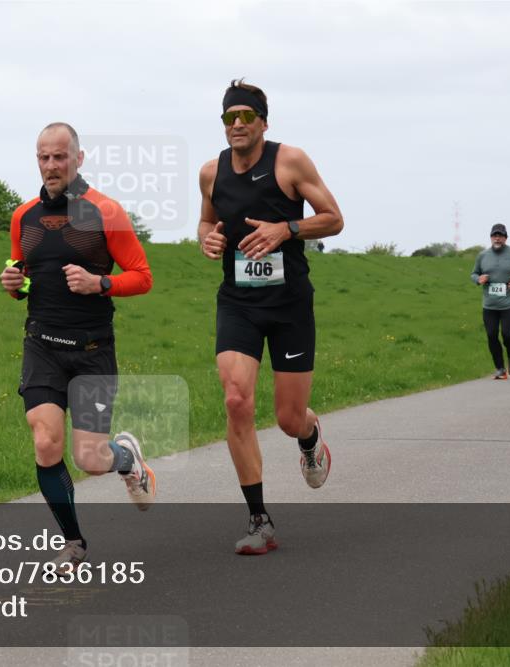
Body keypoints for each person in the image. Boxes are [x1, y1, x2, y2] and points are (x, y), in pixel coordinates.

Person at [0, 122, 155, 574]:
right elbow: (25, 275)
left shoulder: (105, 212)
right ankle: (73, 541)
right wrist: (13, 284)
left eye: (60, 156)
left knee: (90, 459)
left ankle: (128, 460)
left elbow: (142, 276)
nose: (51, 165)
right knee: (45, 440)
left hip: (92, 349)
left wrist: (99, 282)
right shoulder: (23, 216)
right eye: (44, 157)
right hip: (42, 346)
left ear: (78, 158)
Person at [197, 79, 344, 555]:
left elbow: (334, 218)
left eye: (246, 116)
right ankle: (259, 520)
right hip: (238, 301)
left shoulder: (290, 161)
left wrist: (287, 228)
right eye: (228, 117)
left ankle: (309, 436)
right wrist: (208, 239)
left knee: (287, 417)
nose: (237, 124)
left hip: (289, 305)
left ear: (263, 121)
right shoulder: (210, 172)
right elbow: (205, 221)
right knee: (236, 399)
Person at [470, 224, 510, 380]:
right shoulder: (483, 255)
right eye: (494, 235)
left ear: (505, 237)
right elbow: (474, 273)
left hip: (509, 304)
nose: (497, 238)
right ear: (491, 237)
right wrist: (479, 279)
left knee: (507, 334)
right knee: (491, 335)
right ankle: (500, 368)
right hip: (489, 305)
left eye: (500, 235)